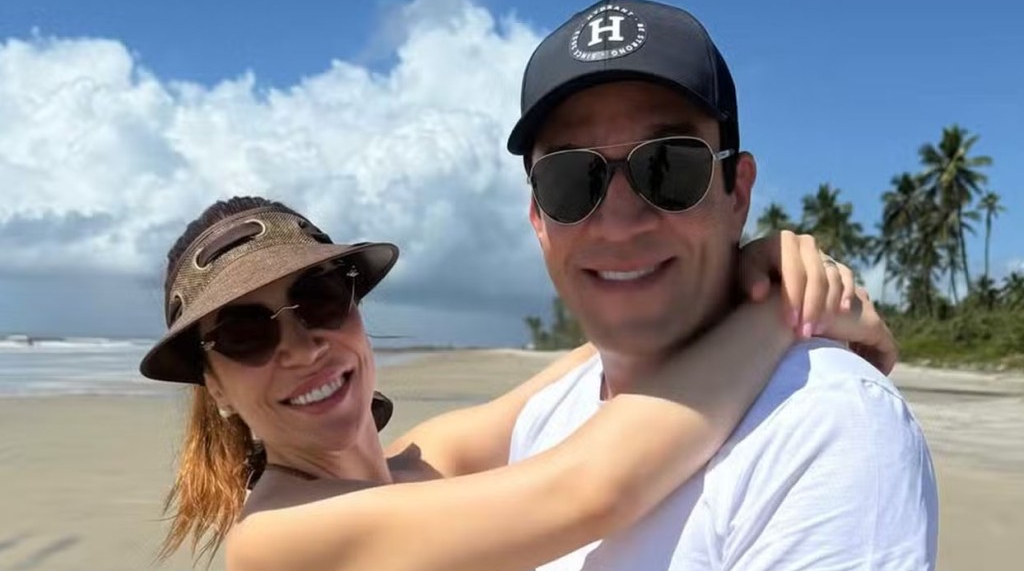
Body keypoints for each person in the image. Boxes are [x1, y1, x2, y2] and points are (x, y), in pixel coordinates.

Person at [140, 195, 894, 571]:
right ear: (217, 389)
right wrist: (784, 314)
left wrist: (742, 276)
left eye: (320, 299)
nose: (301, 346)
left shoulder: (428, 461)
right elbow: (590, 491)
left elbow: (599, 357)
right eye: (245, 334)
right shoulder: (274, 541)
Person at [501, 0, 940, 569]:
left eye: (668, 165)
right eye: (571, 178)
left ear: (738, 191)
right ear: (538, 219)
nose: (619, 222)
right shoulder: (545, 417)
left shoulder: (828, 425)